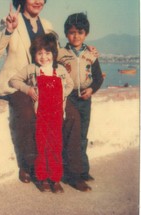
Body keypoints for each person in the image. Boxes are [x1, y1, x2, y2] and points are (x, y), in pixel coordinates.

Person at [0, 0, 54, 184]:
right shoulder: (10, 20)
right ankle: (30, 166)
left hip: (42, 85)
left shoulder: (47, 26)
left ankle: (73, 169)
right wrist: (8, 30)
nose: (38, 1)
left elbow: (55, 55)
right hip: (15, 85)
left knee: (69, 113)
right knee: (26, 113)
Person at [9, 33, 74, 193]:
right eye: (39, 53)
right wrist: (28, 89)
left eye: (47, 53)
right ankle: (43, 178)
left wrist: (62, 94)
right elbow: (13, 80)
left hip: (57, 114)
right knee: (41, 146)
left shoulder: (59, 69)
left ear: (53, 54)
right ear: (34, 54)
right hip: (41, 115)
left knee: (55, 147)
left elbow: (70, 84)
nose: (43, 57)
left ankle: (55, 179)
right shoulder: (32, 69)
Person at [58, 12, 104, 191]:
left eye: (80, 32)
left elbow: (98, 78)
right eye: (71, 32)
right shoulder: (60, 54)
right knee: (70, 136)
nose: (75, 36)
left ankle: (83, 170)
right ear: (66, 34)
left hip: (85, 100)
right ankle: (71, 174)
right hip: (68, 100)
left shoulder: (91, 55)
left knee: (82, 135)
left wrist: (92, 89)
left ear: (86, 34)